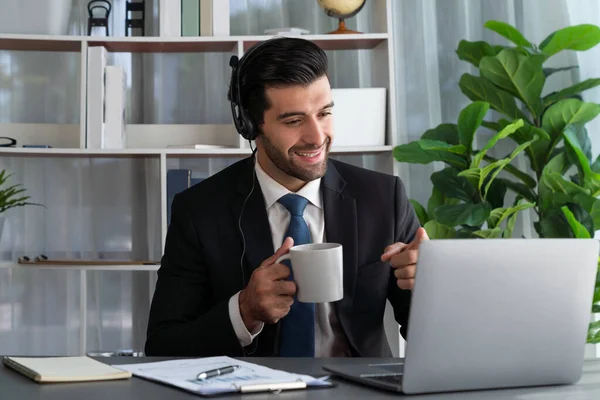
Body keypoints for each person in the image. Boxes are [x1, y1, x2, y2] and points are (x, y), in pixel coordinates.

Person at [145, 37, 427, 358]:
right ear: (251, 124)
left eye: (324, 113)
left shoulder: (383, 197)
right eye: (294, 121)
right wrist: (244, 310)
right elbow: (162, 344)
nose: (317, 137)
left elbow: (429, 331)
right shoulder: (198, 211)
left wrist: (427, 287)